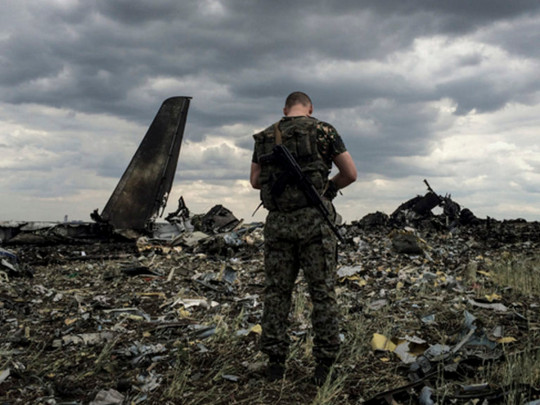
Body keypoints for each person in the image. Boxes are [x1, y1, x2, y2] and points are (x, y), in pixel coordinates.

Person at [250, 91, 357, 385]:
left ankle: (275, 364)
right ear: (310, 109)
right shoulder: (324, 131)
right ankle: (324, 366)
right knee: (322, 293)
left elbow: (255, 181)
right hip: (315, 223)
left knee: (277, 293)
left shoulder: (264, 136)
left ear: (285, 109)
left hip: (279, 224)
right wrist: (328, 190)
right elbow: (350, 173)